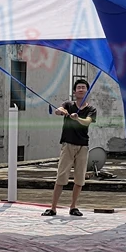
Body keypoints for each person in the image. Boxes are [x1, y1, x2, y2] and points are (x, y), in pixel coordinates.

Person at [42, 78, 97, 217]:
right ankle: (53, 208)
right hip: (68, 145)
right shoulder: (68, 104)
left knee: (79, 179)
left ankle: (73, 207)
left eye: (83, 87)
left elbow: (87, 122)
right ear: (74, 91)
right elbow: (58, 110)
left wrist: (77, 118)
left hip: (83, 146)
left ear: (87, 91)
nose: (81, 89)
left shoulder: (91, 109)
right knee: (61, 177)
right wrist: (62, 111)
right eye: (78, 87)